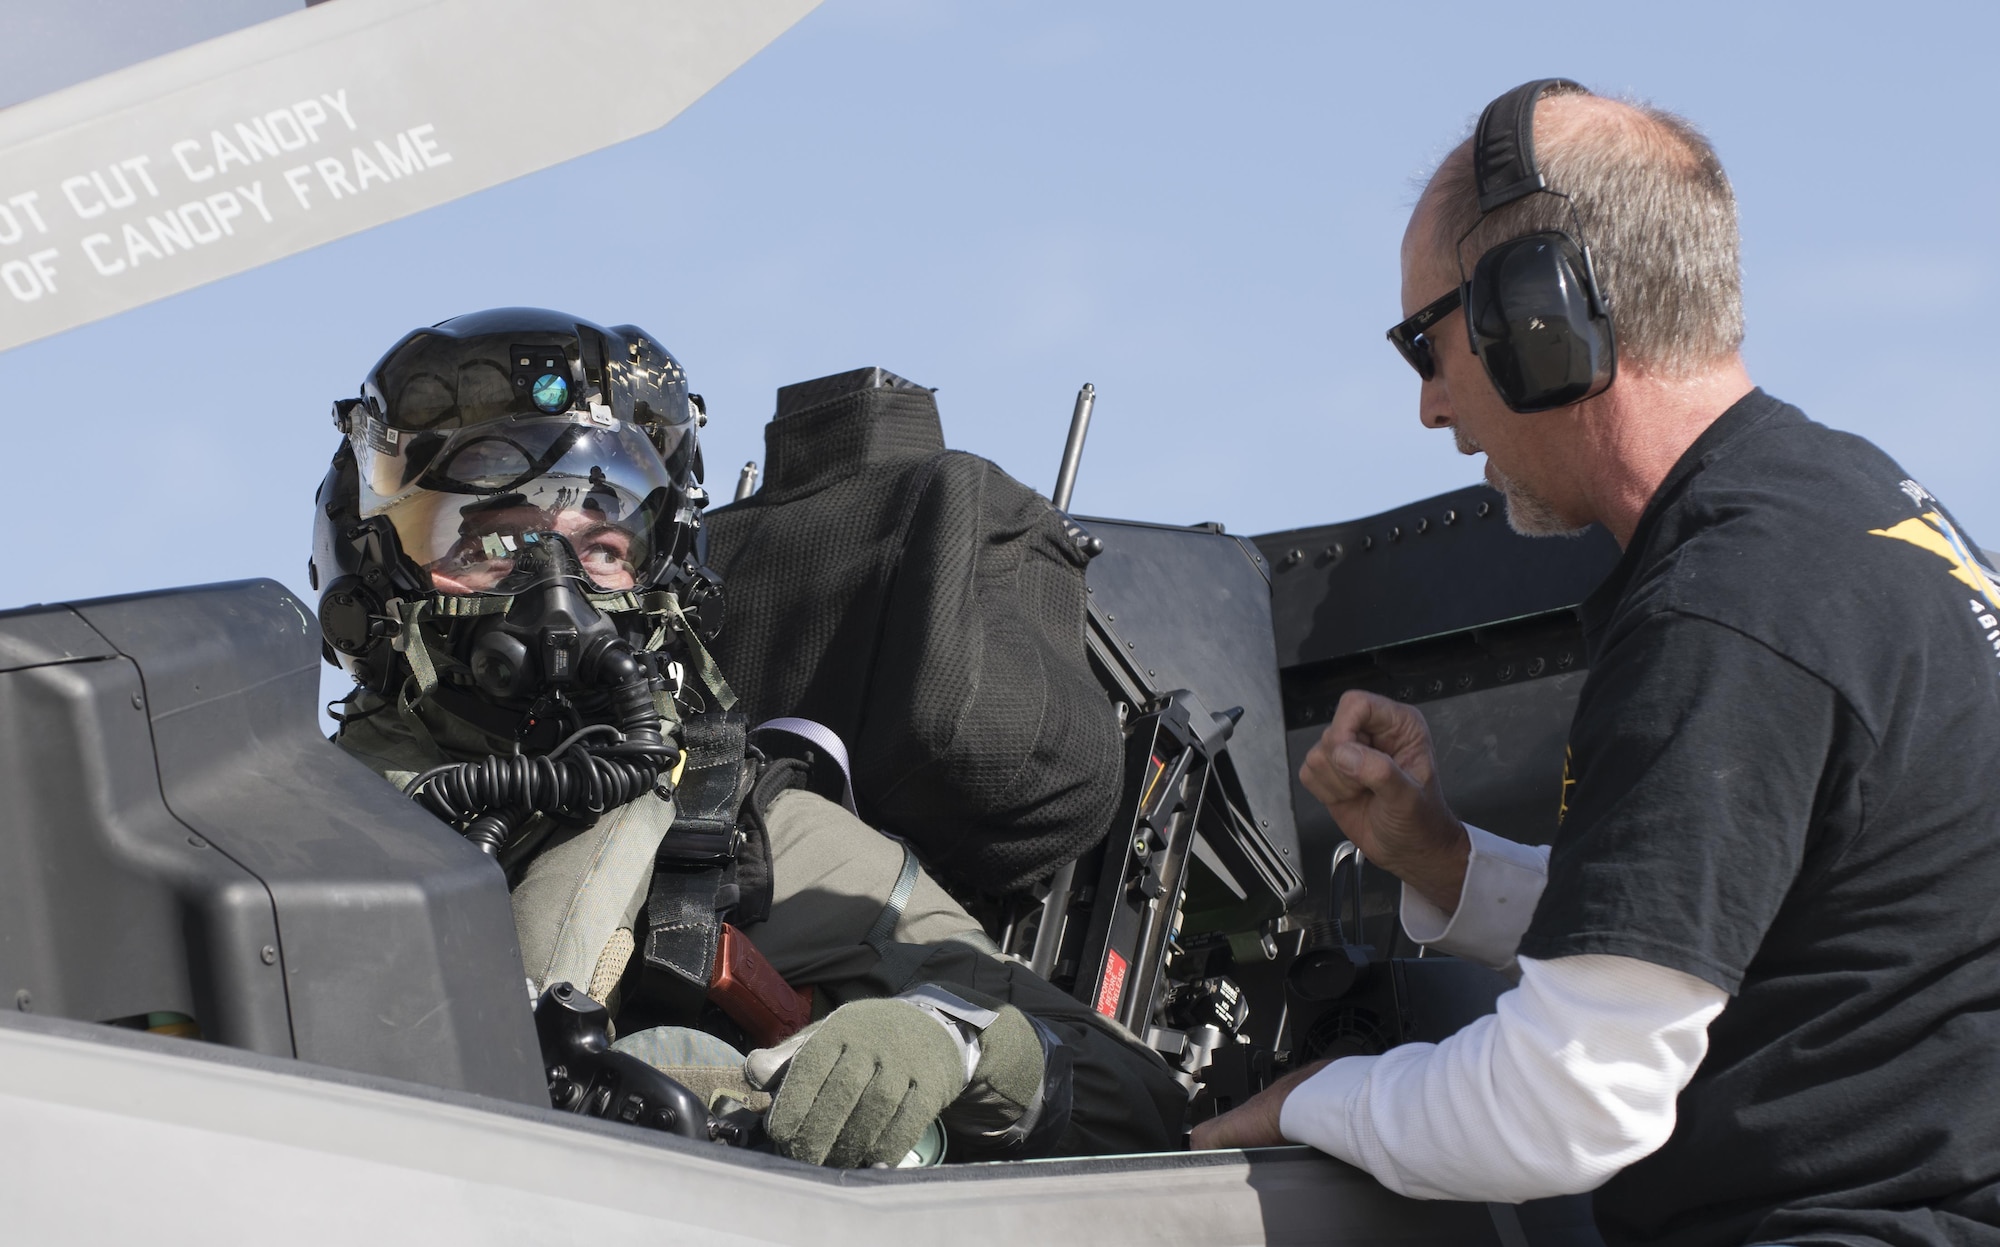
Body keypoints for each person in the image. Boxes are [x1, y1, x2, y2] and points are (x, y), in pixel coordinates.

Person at [1192, 80, 2000, 1247]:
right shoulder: (1849, 505)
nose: (1426, 404)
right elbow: (1714, 921)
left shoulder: (1727, 607)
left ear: (1536, 320)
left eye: (1424, 341)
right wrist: (1445, 856)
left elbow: (1566, 1102)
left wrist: (1309, 1103)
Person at [312, 307, 1183, 1168]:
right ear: (373, 566)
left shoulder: (744, 836)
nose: (560, 590)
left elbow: (1138, 1104)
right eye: (499, 540)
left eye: (605, 549)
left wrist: (958, 1042)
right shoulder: (265, 824)